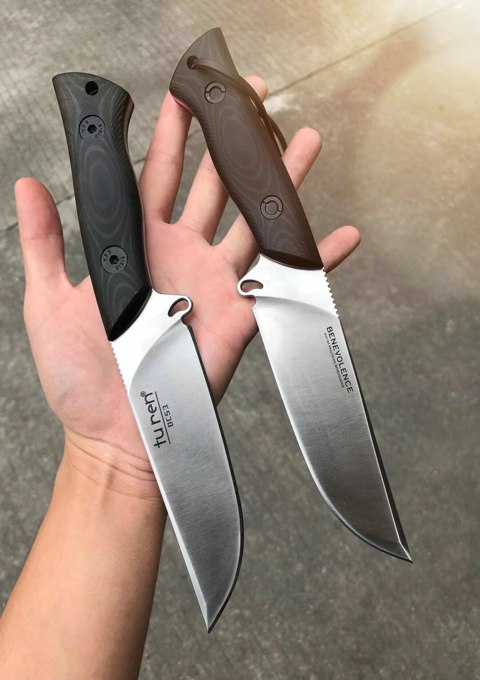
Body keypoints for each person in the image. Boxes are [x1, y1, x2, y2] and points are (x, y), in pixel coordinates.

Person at [0, 77, 360, 679]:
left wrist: (110, 469)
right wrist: (109, 460)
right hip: (129, 317)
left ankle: (109, 111)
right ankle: (102, 113)